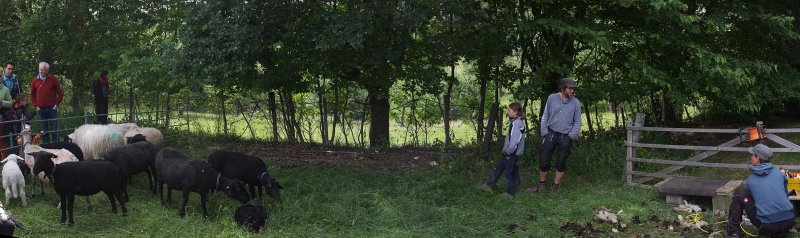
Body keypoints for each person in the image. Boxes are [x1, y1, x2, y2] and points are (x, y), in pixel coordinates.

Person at [726, 144, 795, 238]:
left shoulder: (750, 181)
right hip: (789, 220)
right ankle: (780, 231)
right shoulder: (779, 173)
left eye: (752, 155)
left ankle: (733, 233)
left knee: (739, 192)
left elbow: (753, 200)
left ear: (758, 158)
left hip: (767, 225)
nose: (751, 157)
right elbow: (785, 194)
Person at [526, 78, 581, 193]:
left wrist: (570, 136)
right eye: (570, 88)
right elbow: (545, 115)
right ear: (562, 88)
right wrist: (544, 132)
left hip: (565, 136)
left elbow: (577, 122)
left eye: (573, 89)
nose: (572, 91)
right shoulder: (552, 98)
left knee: (561, 162)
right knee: (544, 160)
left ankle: (555, 186)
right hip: (550, 134)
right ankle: (541, 185)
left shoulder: (576, 102)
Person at [479, 102, 525, 198]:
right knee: (500, 168)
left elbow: (514, 140)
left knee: (509, 173)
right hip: (510, 153)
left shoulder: (516, 124)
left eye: (509, 110)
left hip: (511, 153)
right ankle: (489, 184)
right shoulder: (516, 121)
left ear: (516, 112)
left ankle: (510, 193)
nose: (507, 112)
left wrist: (509, 151)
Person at [29, 62, 63, 144]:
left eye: (43, 70)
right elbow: (31, 94)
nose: (41, 71)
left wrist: (56, 104)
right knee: (44, 131)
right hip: (41, 109)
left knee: (54, 129)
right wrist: (35, 105)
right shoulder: (35, 80)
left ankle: (56, 145)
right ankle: (46, 147)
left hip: (52, 108)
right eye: (40, 69)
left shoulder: (53, 79)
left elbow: (60, 93)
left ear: (47, 70)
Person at [0, 76, 12, 158]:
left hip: (1, 116)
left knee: (2, 139)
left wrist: (2, 102)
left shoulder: (5, 89)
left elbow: (10, 103)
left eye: (0, 77)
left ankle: (5, 160)